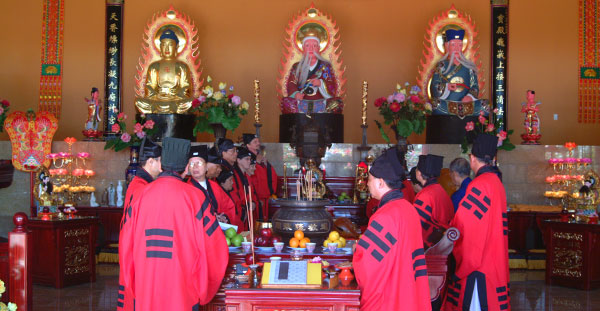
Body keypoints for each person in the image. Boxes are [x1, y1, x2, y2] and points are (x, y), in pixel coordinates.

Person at [119, 137, 228, 310]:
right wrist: (204, 288)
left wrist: (132, 283)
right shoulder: (195, 197)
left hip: (146, 283)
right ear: (186, 168)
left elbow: (125, 245)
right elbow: (214, 247)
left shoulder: (140, 196)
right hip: (181, 285)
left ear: (161, 166)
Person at [353, 148, 431, 311]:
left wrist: (357, 250)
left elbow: (368, 266)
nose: (367, 184)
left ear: (381, 182)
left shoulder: (385, 216)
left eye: (370, 179)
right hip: (408, 293)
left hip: (390, 298)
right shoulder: (408, 209)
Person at [442, 134, 510, 311]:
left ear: (472, 159)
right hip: (494, 260)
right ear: (494, 159)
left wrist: (451, 235)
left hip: (480, 266)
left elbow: (466, 227)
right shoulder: (496, 183)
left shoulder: (479, 185)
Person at [117, 137, 161, 311]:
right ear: (151, 162)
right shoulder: (142, 188)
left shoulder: (139, 184)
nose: (162, 166)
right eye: (160, 162)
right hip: (136, 249)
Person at [135, 29, 194, 114]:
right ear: (160, 47)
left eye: (170, 45)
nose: (167, 48)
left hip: (176, 100)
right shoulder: (154, 66)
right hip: (157, 100)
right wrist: (157, 95)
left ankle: (169, 108)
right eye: (164, 45)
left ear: (176, 47)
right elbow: (149, 87)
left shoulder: (182, 66)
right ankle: (168, 109)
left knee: (191, 102)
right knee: (138, 102)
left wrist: (174, 95)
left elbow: (186, 88)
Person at [281, 35, 342, 114]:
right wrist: (296, 94)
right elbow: (291, 83)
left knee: (337, 103)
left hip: (321, 102)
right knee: (285, 102)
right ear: (303, 48)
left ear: (319, 48)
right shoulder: (296, 67)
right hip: (301, 102)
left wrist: (321, 83)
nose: (311, 48)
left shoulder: (325, 66)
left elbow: (332, 85)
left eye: (314, 45)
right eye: (307, 46)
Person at [430, 29, 484, 117]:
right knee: (436, 105)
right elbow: (434, 85)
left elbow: (475, 86)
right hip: (447, 104)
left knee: (484, 105)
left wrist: (470, 97)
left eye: (459, 45)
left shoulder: (469, 66)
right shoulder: (441, 65)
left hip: (466, 105)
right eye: (453, 45)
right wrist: (447, 87)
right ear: (447, 46)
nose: (456, 48)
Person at [186, 144, 237, 228]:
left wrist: (224, 217)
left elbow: (229, 207)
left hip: (218, 233)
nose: (195, 167)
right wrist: (212, 218)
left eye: (199, 163)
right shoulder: (186, 189)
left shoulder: (215, 186)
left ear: (206, 166)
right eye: (191, 164)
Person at [413, 154, 454, 249]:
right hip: (443, 245)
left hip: (430, 248)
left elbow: (415, 226)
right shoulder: (440, 190)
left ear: (419, 173)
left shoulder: (425, 196)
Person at [243, 133, 278, 221]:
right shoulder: (245, 158)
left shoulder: (259, 157)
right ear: (248, 145)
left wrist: (266, 164)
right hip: (255, 197)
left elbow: (270, 175)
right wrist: (257, 163)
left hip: (263, 196)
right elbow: (250, 177)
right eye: (255, 142)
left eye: (258, 141)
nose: (258, 143)